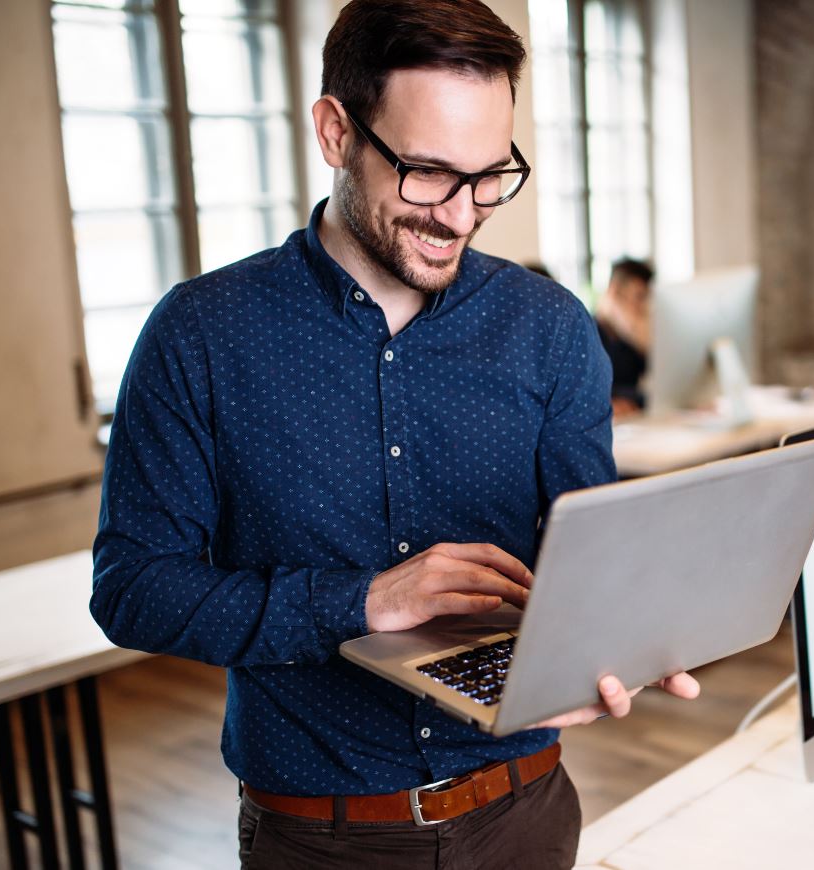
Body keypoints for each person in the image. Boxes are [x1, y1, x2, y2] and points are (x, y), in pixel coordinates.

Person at [89, 2, 696, 867]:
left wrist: (626, 634)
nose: (460, 215)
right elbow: (133, 590)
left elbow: (586, 550)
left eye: (490, 176)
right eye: (426, 173)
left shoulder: (550, 328)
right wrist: (364, 600)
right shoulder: (200, 335)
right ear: (336, 131)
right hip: (318, 837)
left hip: (523, 814)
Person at [594, 257, 653, 418]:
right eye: (639, 297)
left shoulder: (628, 339)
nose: (642, 306)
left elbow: (661, 384)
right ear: (614, 294)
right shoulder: (589, 335)